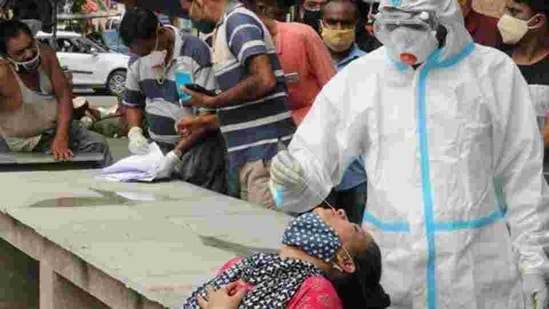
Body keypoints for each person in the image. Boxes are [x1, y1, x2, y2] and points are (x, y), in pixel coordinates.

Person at [269, 0, 549, 307]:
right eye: (392, 26)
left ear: (445, 18)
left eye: (414, 26)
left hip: (476, 272)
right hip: (393, 271)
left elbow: (524, 175)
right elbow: (315, 155)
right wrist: (295, 180)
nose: (402, 39)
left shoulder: (493, 73)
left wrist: (533, 262)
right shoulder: (364, 77)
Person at [182, 0, 296, 208]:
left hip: (266, 155)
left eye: (187, 8)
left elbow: (264, 80)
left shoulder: (238, 21)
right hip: (254, 157)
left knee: (269, 229)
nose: (188, 15)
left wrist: (212, 101)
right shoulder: (225, 27)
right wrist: (206, 122)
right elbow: (247, 109)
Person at [183, 207, 390, 308]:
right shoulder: (242, 265)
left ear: (345, 261)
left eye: (354, 228)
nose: (342, 211)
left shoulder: (317, 293)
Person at [119, 8, 227, 193]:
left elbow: (207, 113)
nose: (145, 56)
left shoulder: (195, 52)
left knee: (201, 205)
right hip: (157, 150)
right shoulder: (137, 59)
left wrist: (176, 154)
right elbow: (133, 103)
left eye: (147, 50)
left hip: (197, 149)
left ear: (160, 33)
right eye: (139, 53)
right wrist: (135, 132)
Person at [0, 20, 112, 166]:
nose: (28, 54)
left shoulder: (46, 54)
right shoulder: (2, 74)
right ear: (6, 57)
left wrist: (61, 137)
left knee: (99, 145)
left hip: (56, 130)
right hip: (23, 142)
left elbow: (64, 95)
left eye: (30, 46)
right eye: (19, 52)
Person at [319, 0, 367, 224]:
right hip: (317, 174)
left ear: (356, 25)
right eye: (332, 22)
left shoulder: (369, 66)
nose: (339, 29)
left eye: (345, 23)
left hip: (357, 176)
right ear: (322, 23)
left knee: (358, 242)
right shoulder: (307, 62)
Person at [254, 0, 337, 125]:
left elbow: (333, 91)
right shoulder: (233, 44)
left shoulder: (301, 35)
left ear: (261, 9)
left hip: (312, 126)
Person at [497, 0, 549, 142]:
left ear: (537, 20)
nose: (505, 17)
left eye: (515, 12)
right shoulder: (496, 61)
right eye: (506, 10)